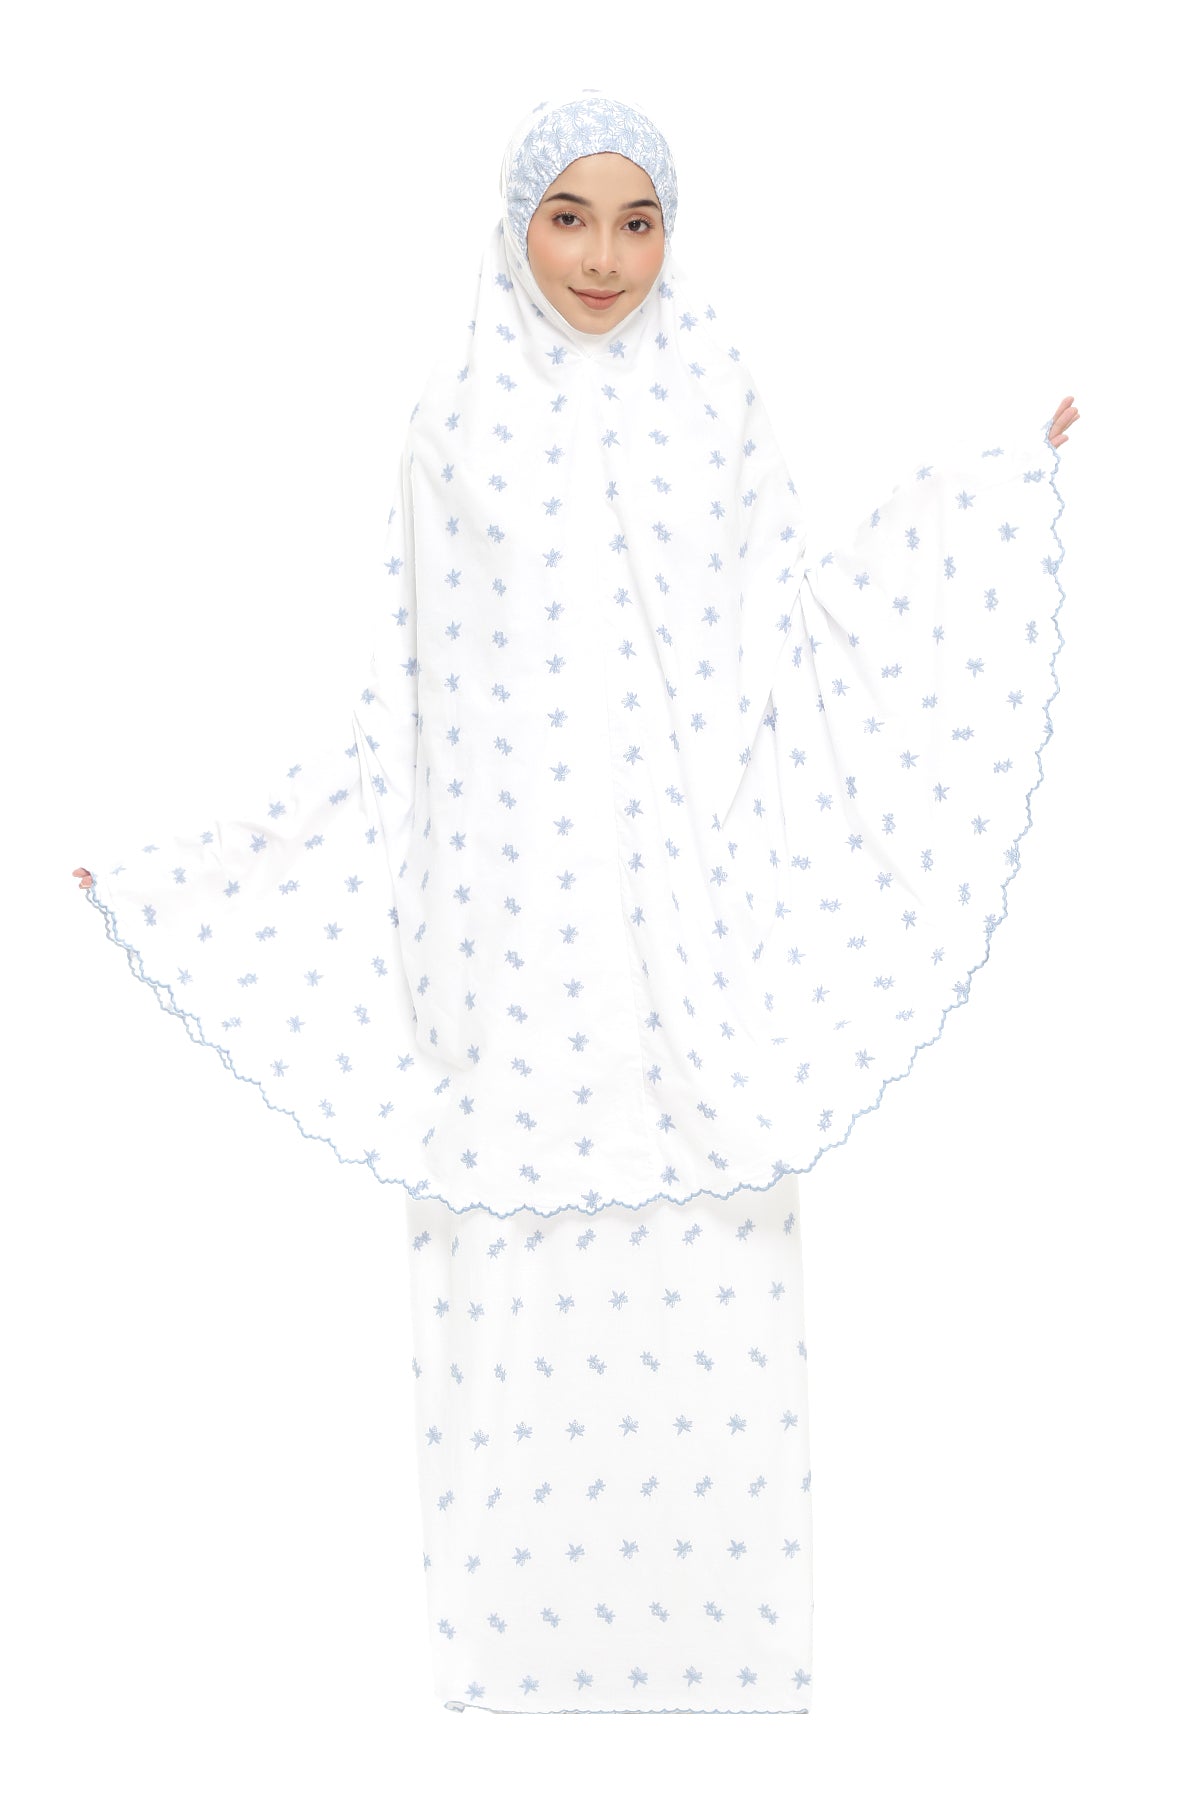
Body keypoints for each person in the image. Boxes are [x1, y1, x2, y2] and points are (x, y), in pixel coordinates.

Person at [70, 88, 1076, 1714]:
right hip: (507, 948)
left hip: (693, 941)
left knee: (714, 1281)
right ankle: (518, 1670)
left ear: (672, 234)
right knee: (508, 1301)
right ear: (516, 222)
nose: (605, 257)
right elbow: (399, 716)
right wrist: (190, 879)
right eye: (570, 217)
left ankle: (729, 1658)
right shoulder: (447, 428)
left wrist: (993, 494)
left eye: (638, 221)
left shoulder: (722, 395)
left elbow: (792, 637)